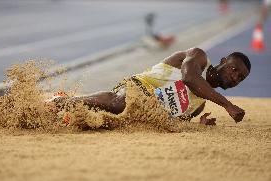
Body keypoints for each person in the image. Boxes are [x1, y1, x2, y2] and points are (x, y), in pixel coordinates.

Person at [51, 47, 251, 126]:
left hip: (143, 110)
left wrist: (198, 125)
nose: (235, 77)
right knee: (123, 103)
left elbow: (174, 121)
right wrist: (227, 105)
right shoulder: (199, 58)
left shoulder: (199, 105)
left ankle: (77, 110)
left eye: (240, 78)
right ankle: (60, 102)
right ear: (223, 61)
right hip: (136, 87)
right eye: (234, 69)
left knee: (115, 123)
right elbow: (190, 78)